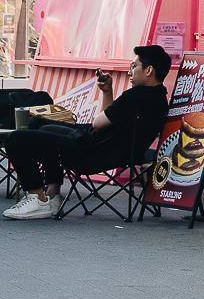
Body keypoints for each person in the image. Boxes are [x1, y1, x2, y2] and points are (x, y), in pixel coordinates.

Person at [1, 45, 171, 219]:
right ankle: (52, 195)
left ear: (149, 70)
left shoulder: (134, 97)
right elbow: (110, 123)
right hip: (114, 152)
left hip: (90, 153)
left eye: (134, 67)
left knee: (16, 138)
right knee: (44, 127)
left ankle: (37, 198)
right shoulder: (160, 100)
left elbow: (98, 123)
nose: (130, 72)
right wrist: (107, 91)